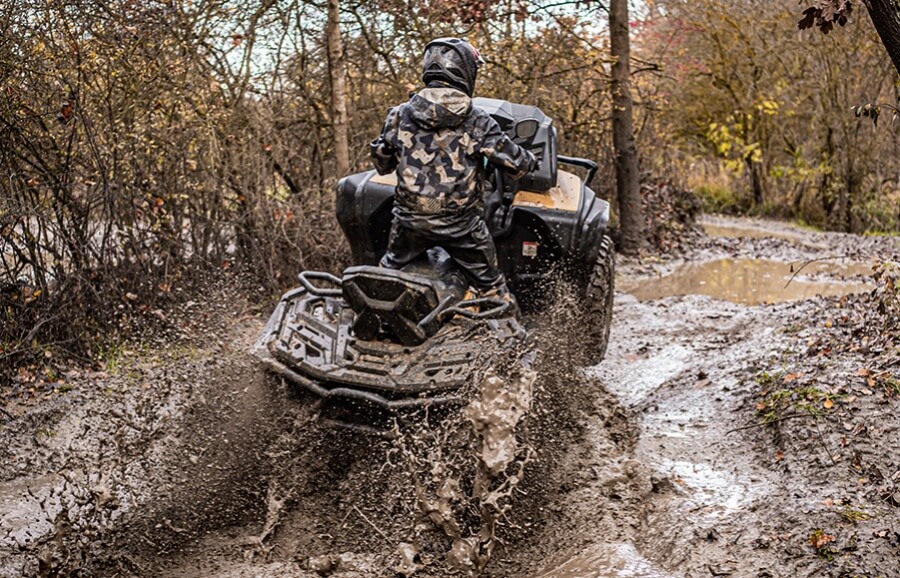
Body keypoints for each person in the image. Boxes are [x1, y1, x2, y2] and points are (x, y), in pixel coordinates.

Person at [369, 37, 537, 297]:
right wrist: (530, 159)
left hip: (409, 224)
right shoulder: (477, 119)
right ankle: (507, 329)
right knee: (493, 289)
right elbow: (518, 165)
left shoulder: (399, 114)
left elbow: (382, 164)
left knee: (385, 278)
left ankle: (373, 321)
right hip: (462, 228)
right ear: (466, 71)